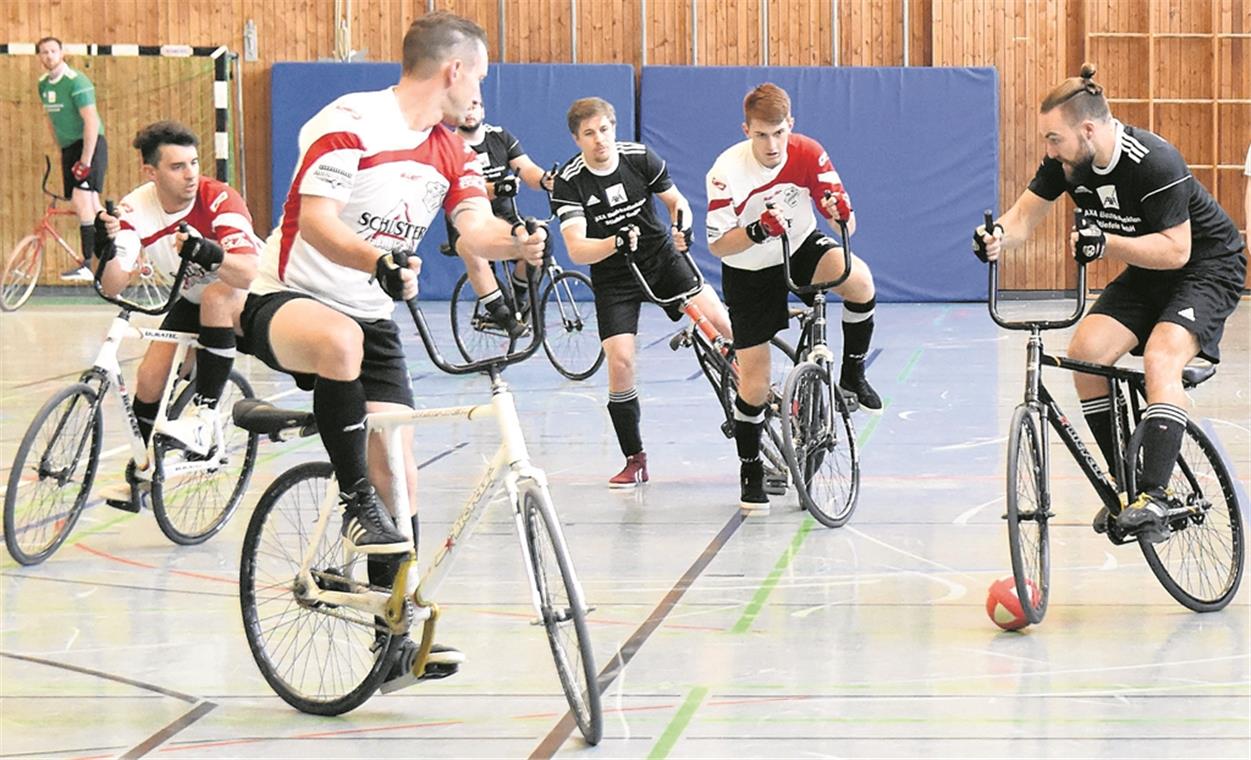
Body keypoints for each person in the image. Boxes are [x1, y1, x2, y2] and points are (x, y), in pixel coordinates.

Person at [241, 11, 547, 686]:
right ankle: (355, 504)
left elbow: (472, 228)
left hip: (369, 315)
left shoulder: (453, 149)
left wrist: (517, 242)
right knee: (340, 341)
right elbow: (314, 222)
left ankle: (393, 642)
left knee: (401, 472)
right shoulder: (348, 120)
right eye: (481, 77)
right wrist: (376, 259)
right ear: (454, 70)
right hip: (286, 298)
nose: (481, 93)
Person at [973, 64, 1246, 542]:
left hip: (1206, 267)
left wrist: (1107, 243)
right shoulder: (1066, 163)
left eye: (1054, 138)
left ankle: (1155, 498)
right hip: (1147, 271)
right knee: (1085, 355)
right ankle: (1126, 488)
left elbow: (1177, 250)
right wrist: (996, 238)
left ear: (1088, 129)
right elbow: (1022, 218)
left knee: (1161, 356)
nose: (1048, 149)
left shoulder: (1154, 161)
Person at [705, 83, 881, 513]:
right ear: (746, 129)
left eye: (779, 133)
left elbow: (848, 225)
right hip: (748, 267)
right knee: (755, 384)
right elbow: (717, 246)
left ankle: (852, 375)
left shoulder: (808, 152)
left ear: (791, 126)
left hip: (799, 246)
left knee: (858, 279)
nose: (771, 144)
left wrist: (841, 213)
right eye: (761, 134)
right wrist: (756, 231)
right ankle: (750, 470)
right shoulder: (726, 171)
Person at [549, 97, 731, 488]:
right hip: (614, 275)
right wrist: (616, 242)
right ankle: (635, 459)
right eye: (589, 133)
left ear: (614, 128)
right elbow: (577, 249)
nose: (599, 140)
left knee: (721, 323)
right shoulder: (570, 181)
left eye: (604, 129)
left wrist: (683, 225)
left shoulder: (639, 157)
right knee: (620, 361)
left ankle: (766, 394)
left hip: (661, 258)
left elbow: (676, 201)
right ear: (576, 139)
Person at [93, 121, 260, 508]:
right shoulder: (137, 207)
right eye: (177, 166)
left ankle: (204, 416)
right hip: (191, 299)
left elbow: (249, 271)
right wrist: (108, 247)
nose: (190, 175)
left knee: (218, 296)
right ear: (150, 172)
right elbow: (114, 285)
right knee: (150, 378)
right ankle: (141, 477)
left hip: (246, 292)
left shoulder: (218, 198)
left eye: (194, 163)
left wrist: (208, 254)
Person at [446, 98, 556, 336]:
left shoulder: (499, 137)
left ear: (483, 110)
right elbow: (458, 186)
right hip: (468, 219)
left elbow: (527, 169)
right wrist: (495, 188)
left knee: (540, 241)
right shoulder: (450, 146)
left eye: (474, 105)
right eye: (465, 106)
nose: (470, 111)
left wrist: (545, 179)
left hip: (506, 218)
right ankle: (503, 316)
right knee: (473, 252)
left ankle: (519, 299)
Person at [36, 36, 108, 281]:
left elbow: (91, 120)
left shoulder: (77, 81)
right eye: (44, 52)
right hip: (69, 148)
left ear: (62, 52)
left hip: (89, 144)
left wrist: (86, 160)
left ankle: (88, 262)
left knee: (81, 202)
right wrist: (62, 151)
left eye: (53, 51)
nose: (49, 56)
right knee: (94, 206)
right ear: (39, 56)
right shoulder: (43, 84)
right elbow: (50, 119)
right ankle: (113, 251)